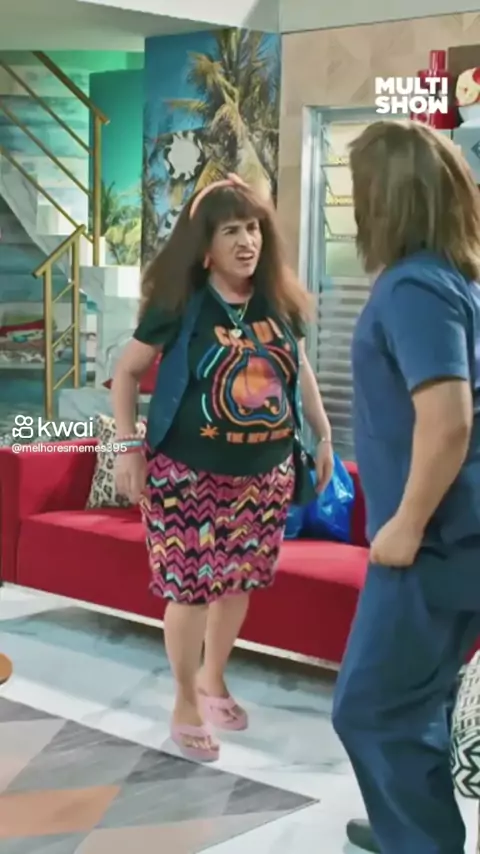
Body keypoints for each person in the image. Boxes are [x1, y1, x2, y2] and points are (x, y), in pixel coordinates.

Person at [112, 175, 333, 763]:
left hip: (265, 475)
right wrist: (127, 447)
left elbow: (301, 369)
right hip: (186, 476)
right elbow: (126, 373)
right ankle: (185, 700)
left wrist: (324, 434)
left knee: (237, 583)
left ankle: (213, 679)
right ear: (205, 246)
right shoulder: (180, 304)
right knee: (189, 590)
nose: (246, 241)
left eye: (253, 228)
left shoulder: (277, 301)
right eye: (231, 230)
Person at [332, 120, 480, 854]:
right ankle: (407, 823)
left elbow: (447, 420)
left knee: (371, 710)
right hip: (458, 534)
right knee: (418, 697)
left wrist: (407, 522)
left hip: (434, 542)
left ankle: (419, 839)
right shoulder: (453, 280)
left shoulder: (414, 285)